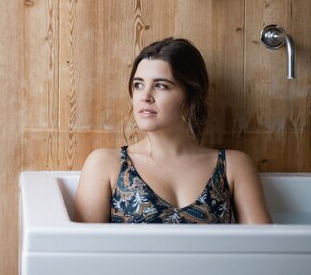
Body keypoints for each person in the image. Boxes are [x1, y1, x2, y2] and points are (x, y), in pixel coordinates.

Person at [74, 38, 272, 224]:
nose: (145, 96)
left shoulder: (233, 166)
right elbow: (84, 246)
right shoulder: (105, 164)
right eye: (138, 85)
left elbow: (266, 246)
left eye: (161, 86)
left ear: (191, 96)